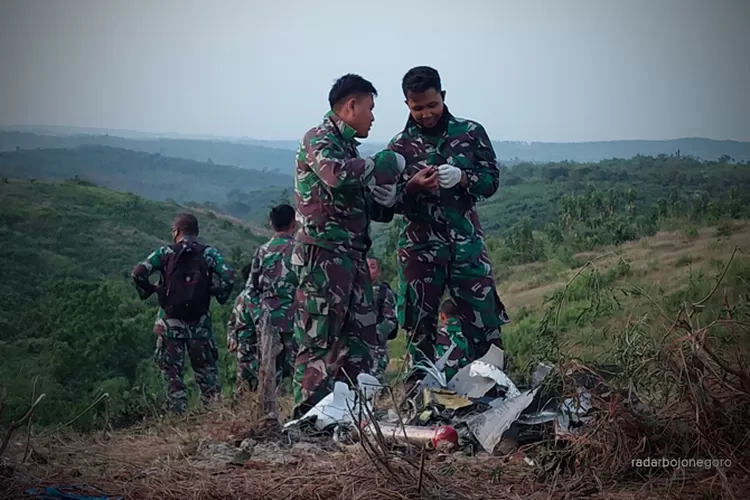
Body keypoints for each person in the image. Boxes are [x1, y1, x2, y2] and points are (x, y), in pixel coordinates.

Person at [386, 66, 509, 391]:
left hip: (466, 245)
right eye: (417, 108)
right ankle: (421, 398)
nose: (426, 114)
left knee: (483, 320)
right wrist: (411, 187)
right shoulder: (398, 147)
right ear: (407, 104)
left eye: (431, 105)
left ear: (443, 96)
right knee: (418, 325)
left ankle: (491, 390)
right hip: (419, 249)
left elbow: (491, 181)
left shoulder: (470, 132)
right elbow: (387, 202)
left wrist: (463, 177)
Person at [292, 73, 406, 417]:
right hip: (322, 257)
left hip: (352, 258)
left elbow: (364, 206)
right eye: (370, 108)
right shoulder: (319, 138)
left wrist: (391, 196)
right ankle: (308, 417)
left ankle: (349, 414)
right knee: (319, 342)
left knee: (361, 340)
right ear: (351, 105)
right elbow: (335, 175)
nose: (372, 117)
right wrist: (380, 165)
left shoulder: (348, 149)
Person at [131, 213, 236, 413]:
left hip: (169, 324)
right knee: (207, 374)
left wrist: (152, 290)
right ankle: (214, 414)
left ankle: (177, 414)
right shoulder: (209, 254)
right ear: (196, 232)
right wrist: (216, 293)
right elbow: (229, 277)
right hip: (200, 324)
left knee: (172, 373)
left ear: (176, 231)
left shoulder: (165, 252)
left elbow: (137, 273)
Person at [245, 204, 299, 382]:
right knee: (297, 372)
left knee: (270, 374)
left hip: (268, 321)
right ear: (294, 223)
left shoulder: (262, 251)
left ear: (271, 224)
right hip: (296, 321)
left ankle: (268, 408)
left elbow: (250, 291)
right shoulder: (300, 249)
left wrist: (258, 317)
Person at [226, 263, 261, 392]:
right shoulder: (254, 297)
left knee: (243, 379)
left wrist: (231, 338)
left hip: (244, 344)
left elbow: (231, 322)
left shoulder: (241, 297)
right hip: (251, 343)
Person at [367, 257, 398, 383]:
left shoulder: (384, 292)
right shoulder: (351, 289)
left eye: (372, 267)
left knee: (373, 383)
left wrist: (376, 334)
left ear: (379, 272)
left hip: (376, 349)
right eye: (366, 266)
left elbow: (391, 320)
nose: (368, 270)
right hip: (352, 347)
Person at [435, 299, 470, 382]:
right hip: (466, 380)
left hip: (442, 381)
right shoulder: (469, 334)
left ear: (442, 316)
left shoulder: (437, 335)